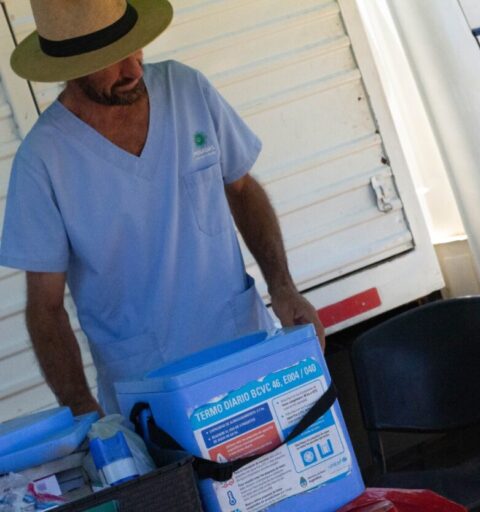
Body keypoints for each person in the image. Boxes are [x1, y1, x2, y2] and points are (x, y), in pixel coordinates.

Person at [0, 0, 325, 417]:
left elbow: (241, 189)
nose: (133, 69)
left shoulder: (186, 89)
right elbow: (45, 307)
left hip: (246, 352)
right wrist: (82, 408)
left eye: (134, 48)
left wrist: (283, 285)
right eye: (109, 60)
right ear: (70, 66)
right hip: (152, 392)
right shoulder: (43, 159)